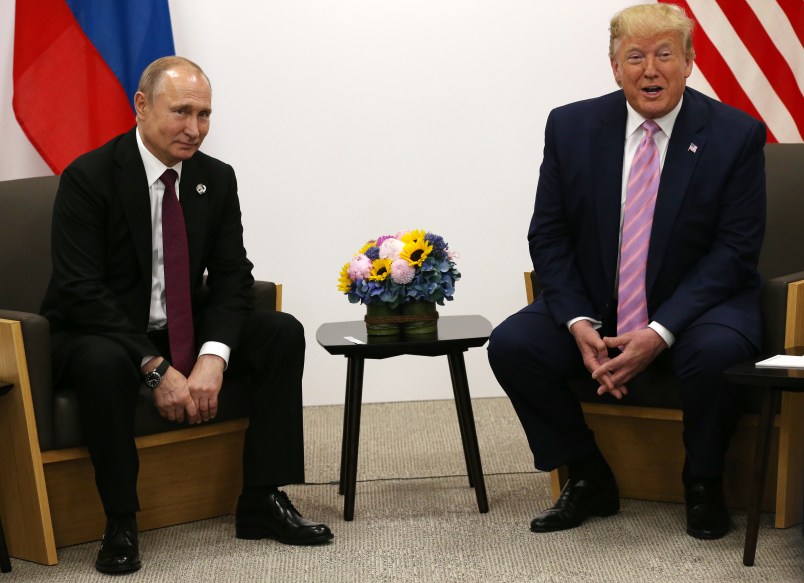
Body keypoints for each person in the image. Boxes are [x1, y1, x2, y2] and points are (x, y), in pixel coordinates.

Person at [40, 56, 333, 575]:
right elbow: (79, 291)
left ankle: (262, 498)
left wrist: (213, 357)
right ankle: (120, 519)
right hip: (93, 331)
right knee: (104, 361)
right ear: (142, 105)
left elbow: (231, 278)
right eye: (181, 112)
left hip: (178, 323)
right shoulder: (89, 177)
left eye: (204, 114)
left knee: (279, 332)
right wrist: (155, 368)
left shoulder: (214, 179)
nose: (194, 129)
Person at [487, 3, 765, 541]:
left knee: (716, 354)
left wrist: (660, 332)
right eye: (634, 57)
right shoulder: (570, 126)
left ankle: (704, 482)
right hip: (600, 300)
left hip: (701, 304)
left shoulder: (735, 135)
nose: (650, 70)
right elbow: (549, 234)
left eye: (665, 54)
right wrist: (576, 321)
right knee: (513, 345)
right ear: (615, 67)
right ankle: (587, 476)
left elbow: (734, 251)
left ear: (689, 63)